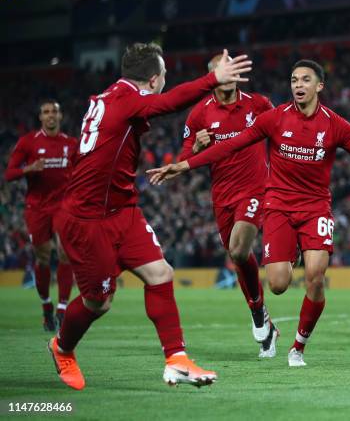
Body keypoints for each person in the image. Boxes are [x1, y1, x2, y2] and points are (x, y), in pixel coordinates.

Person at [147, 59, 350, 367]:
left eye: (305, 80)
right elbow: (232, 145)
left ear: (319, 86)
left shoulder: (335, 124)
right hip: (278, 206)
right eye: (293, 80)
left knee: (315, 278)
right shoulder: (274, 119)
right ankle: (287, 260)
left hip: (315, 206)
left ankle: (298, 347)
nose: (298, 85)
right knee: (277, 284)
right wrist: (185, 163)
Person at [48, 43, 252, 390]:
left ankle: (176, 360)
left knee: (160, 273)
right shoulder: (125, 97)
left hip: (121, 209)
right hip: (87, 217)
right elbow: (167, 104)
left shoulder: (115, 96)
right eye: (165, 78)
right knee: (99, 301)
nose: (165, 84)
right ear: (154, 79)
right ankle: (62, 347)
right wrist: (211, 79)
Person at [180, 53, 277, 357]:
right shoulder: (199, 115)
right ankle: (260, 313)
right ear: (213, 77)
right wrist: (196, 147)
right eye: (221, 71)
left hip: (255, 188)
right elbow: (185, 158)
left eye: (232, 70)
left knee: (238, 249)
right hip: (221, 195)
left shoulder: (258, 104)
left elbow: (280, 136)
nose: (228, 75)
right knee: (239, 255)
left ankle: (259, 312)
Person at [5, 99, 77, 331]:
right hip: (37, 208)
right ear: (40, 117)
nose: (51, 116)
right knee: (43, 257)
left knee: (66, 253)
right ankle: (47, 305)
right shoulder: (28, 142)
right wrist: (29, 168)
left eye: (54, 111)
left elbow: (83, 172)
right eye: (46, 112)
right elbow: (9, 174)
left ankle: (63, 308)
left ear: (60, 116)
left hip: (64, 207)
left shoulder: (71, 144)